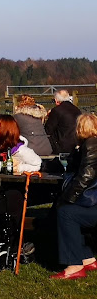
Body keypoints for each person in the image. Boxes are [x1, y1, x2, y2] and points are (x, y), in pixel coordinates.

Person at [50, 113, 97, 280]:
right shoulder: (86, 145)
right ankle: (87, 257)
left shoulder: (92, 144)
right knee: (65, 210)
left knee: (65, 212)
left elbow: (85, 177)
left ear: (80, 128)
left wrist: (67, 199)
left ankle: (75, 266)